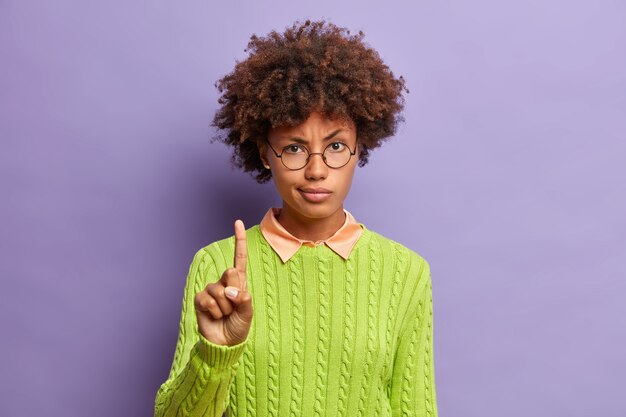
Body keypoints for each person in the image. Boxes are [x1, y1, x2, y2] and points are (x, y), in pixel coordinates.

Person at [154, 19, 438, 417]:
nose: (317, 170)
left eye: (336, 145)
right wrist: (216, 354)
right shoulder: (216, 267)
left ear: (361, 147)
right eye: (294, 148)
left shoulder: (407, 273)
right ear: (265, 152)